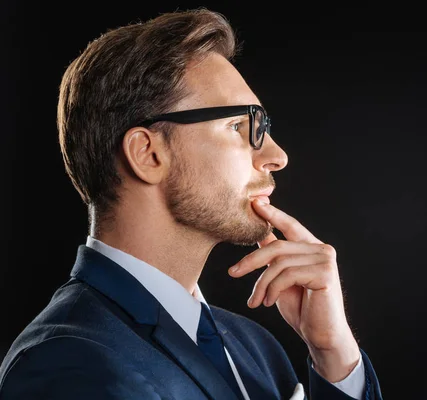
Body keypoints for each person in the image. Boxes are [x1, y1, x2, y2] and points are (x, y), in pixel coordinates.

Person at [0, 8, 382, 400]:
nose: (276, 155)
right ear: (148, 154)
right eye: (239, 126)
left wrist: (334, 356)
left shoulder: (257, 350)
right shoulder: (67, 365)